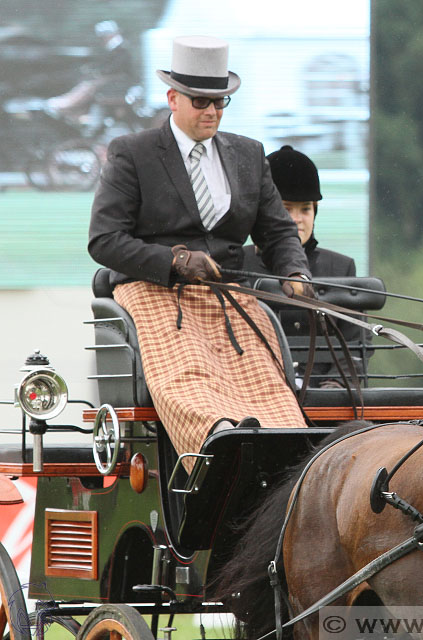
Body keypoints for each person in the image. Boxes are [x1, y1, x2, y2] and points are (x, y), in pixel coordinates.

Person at [88, 35, 314, 461]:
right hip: (154, 292)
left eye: (221, 102)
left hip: (228, 296)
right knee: (192, 386)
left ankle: (285, 459)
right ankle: (218, 457)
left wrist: (295, 274)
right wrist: (174, 260)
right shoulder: (132, 153)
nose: (212, 111)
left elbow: (279, 233)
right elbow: (104, 240)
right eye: (200, 102)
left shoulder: (249, 154)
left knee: (274, 396)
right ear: (173, 98)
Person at [244, 145, 364, 386]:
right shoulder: (236, 263)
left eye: (305, 209)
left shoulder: (341, 267)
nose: (297, 219)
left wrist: (333, 387)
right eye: (286, 209)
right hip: (251, 392)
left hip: (323, 397)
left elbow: (354, 346)